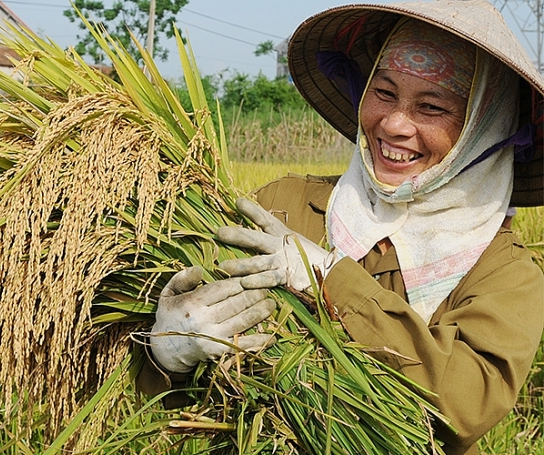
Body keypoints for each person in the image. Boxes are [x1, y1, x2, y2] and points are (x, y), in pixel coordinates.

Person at [139, 1, 544, 454]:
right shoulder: (280, 208)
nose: (392, 124)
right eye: (384, 93)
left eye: (430, 107)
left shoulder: (505, 275)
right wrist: (166, 355)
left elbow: (460, 408)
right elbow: (183, 403)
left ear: (482, 129)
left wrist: (329, 277)